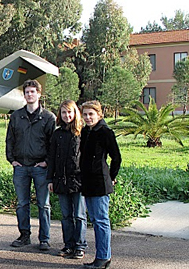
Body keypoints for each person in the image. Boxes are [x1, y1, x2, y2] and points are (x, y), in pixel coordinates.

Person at [6, 79, 56, 250]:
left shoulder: (48, 118)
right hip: (21, 167)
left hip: (40, 168)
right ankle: (24, 235)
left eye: (32, 92)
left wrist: (47, 162)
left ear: (39, 94)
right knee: (22, 204)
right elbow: (10, 140)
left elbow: (53, 144)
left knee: (44, 205)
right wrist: (11, 159)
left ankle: (44, 239)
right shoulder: (16, 116)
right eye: (27, 92)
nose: (29, 95)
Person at [80, 101, 121, 269]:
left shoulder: (105, 132)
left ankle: (103, 258)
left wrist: (111, 176)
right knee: (96, 221)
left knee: (101, 221)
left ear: (99, 114)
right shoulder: (85, 132)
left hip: (100, 182)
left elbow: (116, 158)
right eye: (85, 114)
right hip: (87, 182)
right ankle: (102, 256)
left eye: (91, 114)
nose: (88, 117)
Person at [47, 100, 87, 259]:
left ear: (75, 113)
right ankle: (68, 245)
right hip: (60, 180)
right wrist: (50, 179)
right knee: (66, 216)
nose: (67, 115)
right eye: (64, 112)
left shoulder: (82, 132)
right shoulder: (57, 134)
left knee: (79, 215)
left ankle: (80, 245)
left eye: (69, 112)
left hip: (78, 180)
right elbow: (51, 158)